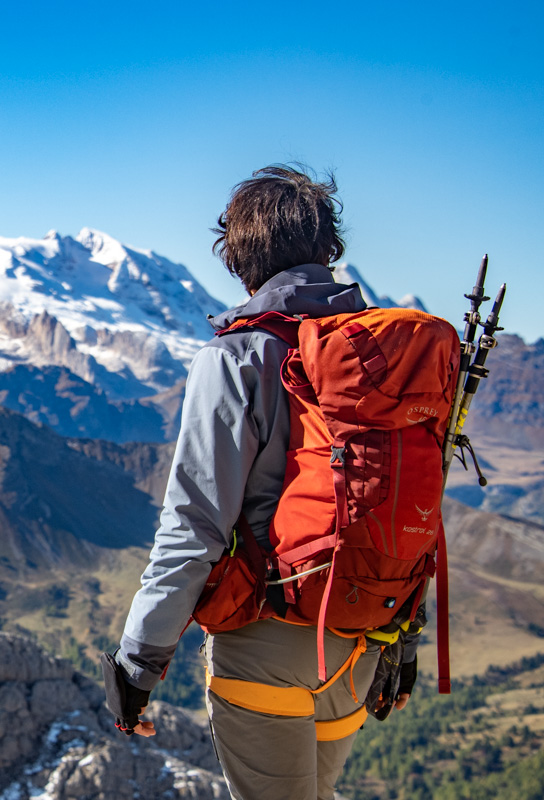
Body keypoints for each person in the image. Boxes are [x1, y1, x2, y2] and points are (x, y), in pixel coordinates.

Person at [108, 165, 417, 800]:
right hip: (359, 637)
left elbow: (194, 523)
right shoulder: (388, 357)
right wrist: (403, 636)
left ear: (241, 258)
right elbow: (414, 504)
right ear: (327, 249)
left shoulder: (237, 358)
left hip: (266, 637)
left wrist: (140, 656)